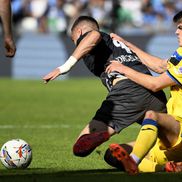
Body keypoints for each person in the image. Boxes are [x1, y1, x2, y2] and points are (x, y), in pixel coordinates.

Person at [43, 15, 167, 158]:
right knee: (166, 140)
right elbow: (159, 67)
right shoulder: (120, 44)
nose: (77, 45)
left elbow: (94, 35)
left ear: (79, 32)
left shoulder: (93, 37)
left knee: (80, 146)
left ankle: (102, 134)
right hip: (155, 95)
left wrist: (65, 66)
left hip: (127, 93)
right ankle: (164, 162)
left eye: (74, 40)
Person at [105, 10, 182, 174]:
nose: (176, 32)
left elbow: (155, 84)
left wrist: (123, 69)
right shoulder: (181, 53)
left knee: (152, 115)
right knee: (112, 153)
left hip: (179, 132)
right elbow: (160, 66)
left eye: (181, 28)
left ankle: (133, 162)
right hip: (172, 135)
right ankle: (166, 168)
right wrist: (126, 44)